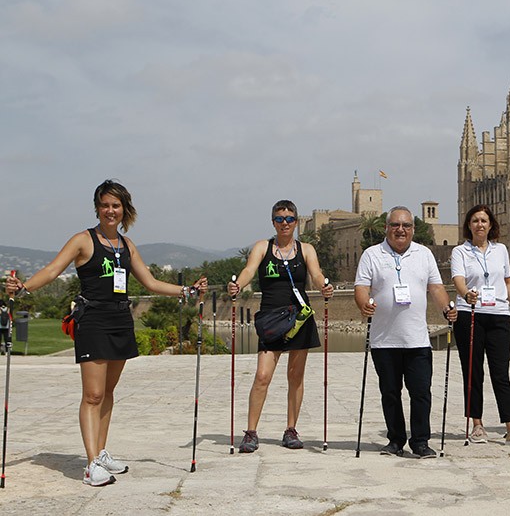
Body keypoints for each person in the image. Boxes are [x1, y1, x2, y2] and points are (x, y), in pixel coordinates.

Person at [4, 180, 208, 486]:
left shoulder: (126, 245)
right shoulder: (83, 240)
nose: (110, 211)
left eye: (116, 205)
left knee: (109, 393)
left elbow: (150, 282)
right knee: (93, 394)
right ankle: (90, 465)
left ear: (124, 209)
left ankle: (100, 452)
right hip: (94, 320)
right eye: (105, 205)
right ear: (97, 208)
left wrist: (188, 290)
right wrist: (22, 289)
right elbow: (51, 271)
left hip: (119, 320)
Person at [230, 200, 333, 453]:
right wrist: (238, 285)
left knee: (295, 376)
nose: (284, 223)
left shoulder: (306, 249)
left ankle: (291, 429)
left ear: (296, 222)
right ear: (273, 222)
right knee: (262, 376)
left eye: (289, 219)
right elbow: (248, 270)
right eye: (279, 219)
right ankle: (251, 432)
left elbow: (316, 274)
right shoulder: (262, 247)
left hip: (299, 317)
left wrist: (323, 285)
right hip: (271, 319)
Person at [355, 206, 456, 458]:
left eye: (407, 226)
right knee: (390, 393)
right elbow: (361, 287)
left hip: (417, 339)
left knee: (421, 393)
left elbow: (436, 288)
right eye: (396, 225)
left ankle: (421, 441)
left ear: (412, 229)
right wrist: (363, 303)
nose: (401, 230)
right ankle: (395, 440)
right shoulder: (371, 254)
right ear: (387, 228)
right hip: (383, 339)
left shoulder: (424, 254)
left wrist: (447, 308)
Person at [451, 205, 510, 447]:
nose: (479, 224)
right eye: (475, 220)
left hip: (498, 314)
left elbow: (506, 282)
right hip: (470, 314)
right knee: (473, 372)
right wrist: (466, 295)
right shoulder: (460, 252)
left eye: (484, 220)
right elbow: (458, 280)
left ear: (490, 224)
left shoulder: (501, 250)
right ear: (469, 225)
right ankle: (477, 425)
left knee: (501, 373)